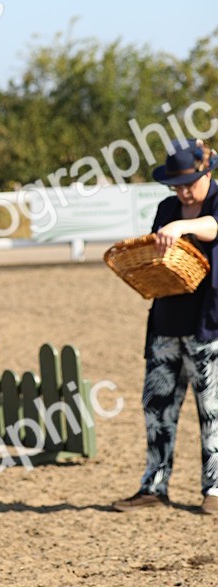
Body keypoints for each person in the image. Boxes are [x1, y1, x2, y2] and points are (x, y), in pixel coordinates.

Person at [113, 139, 218, 515]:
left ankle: (215, 490)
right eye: (177, 184)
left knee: (213, 410)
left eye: (190, 182)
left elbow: (212, 226)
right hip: (166, 323)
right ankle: (153, 487)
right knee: (157, 408)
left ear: (207, 173)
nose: (183, 190)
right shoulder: (166, 207)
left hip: (210, 326)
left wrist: (180, 226)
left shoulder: (209, 205)